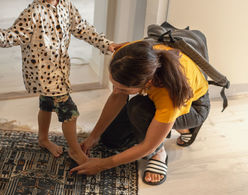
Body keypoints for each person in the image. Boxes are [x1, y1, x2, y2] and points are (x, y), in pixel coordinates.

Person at [0, 0, 122, 165]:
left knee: (46, 105)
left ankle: (43, 138)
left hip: (60, 69)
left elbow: (83, 28)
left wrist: (108, 45)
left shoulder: (66, 5)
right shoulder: (33, 13)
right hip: (44, 74)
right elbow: (12, 36)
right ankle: (75, 151)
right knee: (70, 112)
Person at [70, 40, 210, 185]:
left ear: (148, 83)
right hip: (158, 97)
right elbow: (117, 97)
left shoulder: (169, 96)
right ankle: (166, 127)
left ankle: (160, 152)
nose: (116, 91)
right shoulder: (123, 58)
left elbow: (147, 146)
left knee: (137, 109)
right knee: (110, 140)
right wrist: (93, 136)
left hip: (196, 107)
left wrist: (101, 165)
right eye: (114, 85)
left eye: (123, 89)